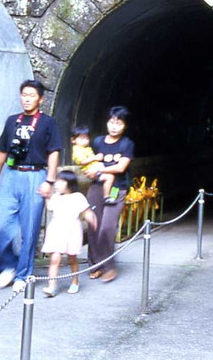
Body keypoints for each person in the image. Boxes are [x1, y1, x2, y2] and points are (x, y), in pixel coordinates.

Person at [0, 79, 63, 292]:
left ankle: (23, 274)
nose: (27, 99)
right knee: (1, 227)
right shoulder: (13, 121)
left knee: (29, 230)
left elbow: (54, 152)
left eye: (31, 95)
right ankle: (8, 266)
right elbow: (2, 149)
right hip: (11, 175)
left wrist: (49, 181)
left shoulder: (48, 123)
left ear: (40, 99)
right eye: (24, 94)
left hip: (35, 175)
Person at [84, 106, 135, 283]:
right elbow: (88, 162)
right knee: (93, 225)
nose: (114, 126)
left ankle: (108, 266)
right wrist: (91, 170)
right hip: (96, 187)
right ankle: (94, 265)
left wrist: (100, 170)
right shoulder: (97, 142)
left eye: (118, 123)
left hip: (117, 188)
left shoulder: (126, 144)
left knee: (107, 227)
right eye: (111, 122)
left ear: (125, 126)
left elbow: (121, 167)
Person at [40, 170, 98, 297]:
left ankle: (75, 281)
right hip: (56, 228)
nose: (57, 184)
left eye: (61, 181)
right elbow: (50, 207)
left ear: (70, 183)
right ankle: (52, 286)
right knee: (55, 258)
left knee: (72, 258)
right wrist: (46, 197)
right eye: (57, 181)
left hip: (72, 230)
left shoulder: (78, 197)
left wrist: (92, 220)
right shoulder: (56, 196)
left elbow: (87, 212)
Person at [71, 125, 118, 204]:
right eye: (81, 138)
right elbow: (82, 161)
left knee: (113, 180)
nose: (85, 141)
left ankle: (111, 197)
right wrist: (96, 158)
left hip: (105, 172)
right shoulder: (77, 150)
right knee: (111, 178)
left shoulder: (86, 148)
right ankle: (107, 197)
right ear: (73, 140)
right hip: (94, 170)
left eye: (87, 138)